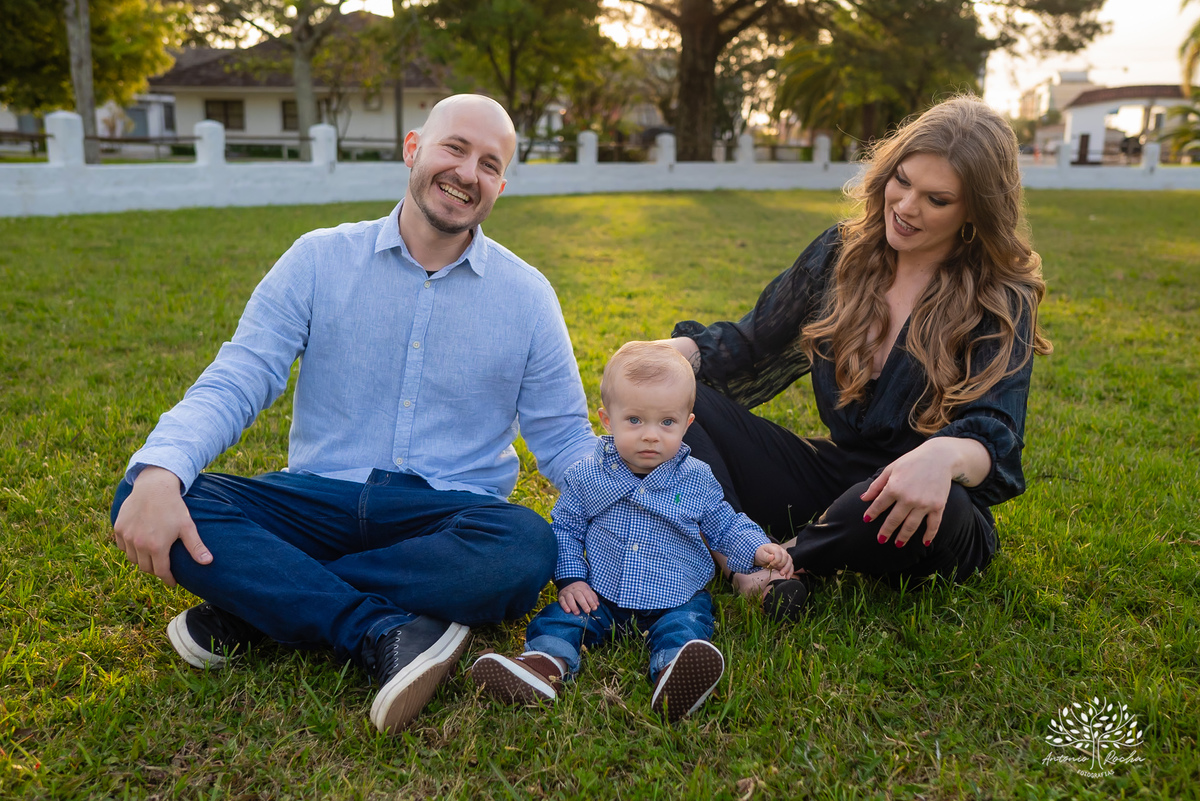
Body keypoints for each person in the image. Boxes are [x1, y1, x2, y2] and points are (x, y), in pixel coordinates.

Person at [110, 94, 598, 733]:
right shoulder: (318, 258)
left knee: (523, 547)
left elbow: (563, 437)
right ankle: (379, 630)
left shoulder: (528, 296)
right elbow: (239, 377)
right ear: (413, 148)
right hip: (315, 503)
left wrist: (654, 501)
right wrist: (160, 472)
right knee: (150, 489)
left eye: (488, 163)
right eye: (454, 148)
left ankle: (260, 607)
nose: (466, 173)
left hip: (447, 520)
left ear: (499, 184)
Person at [662, 95, 1052, 615]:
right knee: (677, 396)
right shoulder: (840, 254)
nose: (907, 207)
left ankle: (786, 562)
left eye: (937, 199)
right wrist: (673, 354)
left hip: (929, 508)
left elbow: (995, 434)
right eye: (903, 180)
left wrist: (941, 456)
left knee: (918, 501)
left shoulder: (1000, 295)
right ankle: (742, 562)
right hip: (834, 474)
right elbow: (754, 342)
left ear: (974, 212)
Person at [469, 341, 793, 722]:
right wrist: (572, 580)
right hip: (602, 595)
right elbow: (567, 528)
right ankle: (544, 664)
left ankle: (676, 673)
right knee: (564, 617)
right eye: (635, 421)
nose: (651, 436)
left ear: (687, 424)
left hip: (677, 595)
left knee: (686, 626)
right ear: (608, 420)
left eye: (667, 422)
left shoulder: (697, 480)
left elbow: (726, 522)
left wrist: (758, 548)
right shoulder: (588, 476)